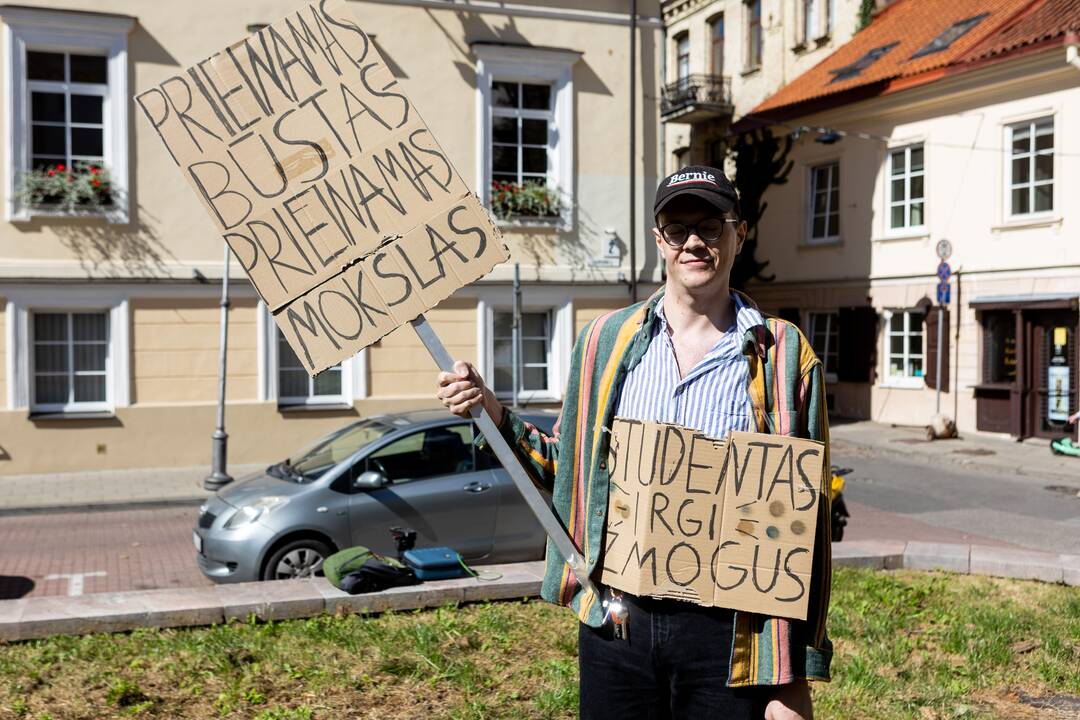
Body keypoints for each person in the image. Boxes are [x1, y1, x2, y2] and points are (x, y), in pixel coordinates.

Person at [437, 166, 832, 719]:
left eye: (712, 226)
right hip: (618, 625)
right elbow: (566, 471)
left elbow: (802, 528)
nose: (694, 241)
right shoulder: (604, 343)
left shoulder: (784, 355)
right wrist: (490, 409)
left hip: (731, 638)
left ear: (739, 234)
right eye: (677, 227)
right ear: (659, 240)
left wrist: (793, 679)